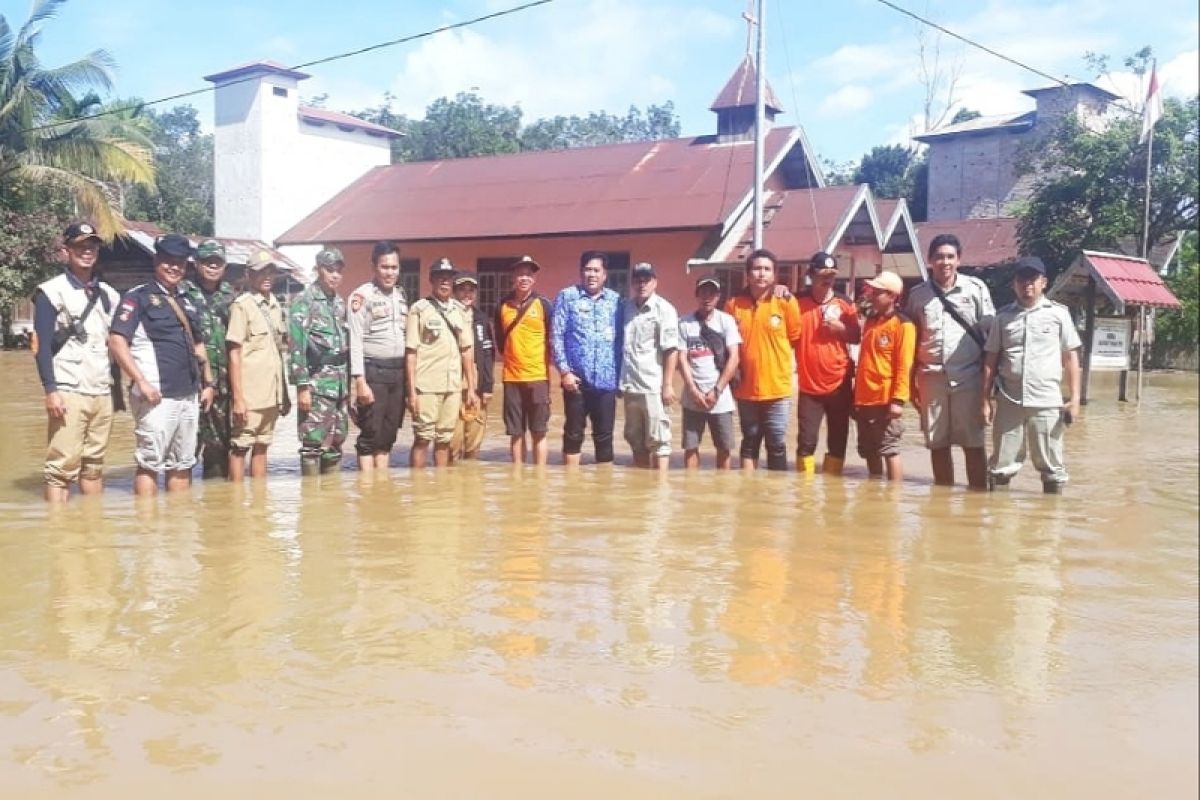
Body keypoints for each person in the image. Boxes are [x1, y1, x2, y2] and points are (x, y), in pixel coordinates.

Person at [109, 233, 215, 496]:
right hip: (156, 395)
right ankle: (148, 531)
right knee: (149, 464)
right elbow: (117, 341)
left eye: (179, 262)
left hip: (188, 394)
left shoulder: (187, 299)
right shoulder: (138, 297)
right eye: (167, 260)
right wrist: (141, 382)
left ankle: (177, 529)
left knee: (183, 464)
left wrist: (208, 383)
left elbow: (198, 345)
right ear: (156, 260)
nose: (173, 267)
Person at [32, 221, 121, 502]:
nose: (87, 251)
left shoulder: (109, 294)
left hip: (101, 390)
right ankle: (59, 535)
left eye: (92, 246)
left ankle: (92, 528)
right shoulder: (50, 292)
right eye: (80, 246)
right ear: (66, 251)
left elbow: (117, 344)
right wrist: (50, 390)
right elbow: (41, 346)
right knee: (60, 469)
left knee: (94, 467)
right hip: (68, 390)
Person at [981, 257, 1082, 494]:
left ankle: (1050, 523)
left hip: (1046, 401)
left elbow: (1070, 358)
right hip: (1009, 400)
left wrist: (1075, 399)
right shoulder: (1002, 317)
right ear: (1014, 285)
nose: (1027, 284)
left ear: (1043, 282)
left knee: (1052, 467)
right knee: (1000, 466)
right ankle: (999, 524)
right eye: (1021, 279)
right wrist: (984, 400)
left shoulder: (1059, 315)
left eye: (1033, 279)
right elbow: (991, 360)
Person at [905, 233, 995, 490]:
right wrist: (911, 384)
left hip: (969, 378)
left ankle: (978, 502)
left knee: (973, 443)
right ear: (930, 260)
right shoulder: (917, 295)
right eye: (939, 257)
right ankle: (942, 500)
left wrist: (990, 389)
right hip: (931, 379)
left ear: (959, 260)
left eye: (950, 257)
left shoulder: (976, 290)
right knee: (937, 444)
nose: (945, 262)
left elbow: (991, 338)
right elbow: (911, 340)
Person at [725, 248, 802, 471]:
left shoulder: (786, 302)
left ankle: (774, 496)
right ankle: (749, 493)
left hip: (778, 388)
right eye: (757, 269)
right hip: (746, 387)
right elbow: (727, 345)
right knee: (749, 440)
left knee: (776, 442)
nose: (761, 274)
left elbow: (796, 339)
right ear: (747, 274)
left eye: (767, 269)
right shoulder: (733, 304)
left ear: (774, 275)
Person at [550, 251, 623, 465]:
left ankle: (604, 491)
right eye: (588, 269)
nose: (592, 274)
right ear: (581, 272)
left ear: (605, 274)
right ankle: (572, 489)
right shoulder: (567, 296)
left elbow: (620, 341)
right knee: (573, 434)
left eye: (596, 270)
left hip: (606, 381)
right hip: (576, 381)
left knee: (605, 436)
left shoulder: (615, 301)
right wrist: (565, 372)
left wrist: (620, 377)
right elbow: (556, 335)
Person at [405, 259, 478, 468]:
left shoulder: (460, 311)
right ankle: (417, 488)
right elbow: (411, 353)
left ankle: (441, 491)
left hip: (453, 386)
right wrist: (411, 393)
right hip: (426, 386)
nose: (445, 281)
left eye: (448, 277)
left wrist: (471, 388)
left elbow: (467, 351)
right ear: (431, 279)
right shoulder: (419, 309)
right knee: (422, 438)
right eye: (440, 277)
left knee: (444, 440)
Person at [225, 251, 289, 481]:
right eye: (261, 271)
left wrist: (284, 395)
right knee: (240, 447)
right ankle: (236, 505)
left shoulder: (275, 305)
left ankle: (260, 506)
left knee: (263, 446)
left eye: (270, 271)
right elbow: (234, 353)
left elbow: (278, 352)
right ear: (248, 274)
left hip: (271, 394)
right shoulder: (242, 306)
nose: (266, 276)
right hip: (250, 395)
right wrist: (239, 398)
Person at [795, 251, 860, 476]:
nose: (828, 279)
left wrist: (841, 330)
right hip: (809, 386)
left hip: (839, 383)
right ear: (811, 275)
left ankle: (834, 493)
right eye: (823, 274)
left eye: (832, 275)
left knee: (838, 440)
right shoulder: (796, 302)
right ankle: (804, 495)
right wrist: (779, 289)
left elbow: (857, 336)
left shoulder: (845, 303)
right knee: (806, 441)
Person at [289, 247, 351, 476]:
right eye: (329, 270)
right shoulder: (304, 302)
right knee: (312, 445)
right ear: (318, 270)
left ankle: (331, 505)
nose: (334, 275)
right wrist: (302, 388)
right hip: (316, 385)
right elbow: (297, 347)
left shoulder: (339, 303)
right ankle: (311, 505)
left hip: (339, 385)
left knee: (336, 442)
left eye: (338, 271)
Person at [348, 241, 409, 471]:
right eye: (385, 267)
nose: (390, 272)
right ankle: (366, 493)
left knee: (387, 436)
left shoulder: (401, 295)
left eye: (394, 267)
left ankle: (381, 493)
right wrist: (360, 382)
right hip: (373, 372)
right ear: (374, 266)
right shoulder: (361, 296)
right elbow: (355, 341)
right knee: (369, 438)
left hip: (397, 373)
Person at [181, 238, 237, 478]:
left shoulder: (231, 296)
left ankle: (216, 510)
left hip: (224, 387)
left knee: (219, 449)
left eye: (218, 262)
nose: (213, 266)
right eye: (207, 262)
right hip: (189, 384)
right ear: (196, 263)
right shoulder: (182, 292)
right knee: (185, 451)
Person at [853, 271, 915, 482]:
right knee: (868, 449)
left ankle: (894, 496)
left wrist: (898, 401)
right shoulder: (871, 321)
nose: (871, 295)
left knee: (889, 448)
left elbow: (904, 366)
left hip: (885, 398)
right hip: (864, 396)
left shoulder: (903, 325)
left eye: (877, 292)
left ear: (892, 296)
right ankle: (874, 488)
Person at [619, 262, 679, 470]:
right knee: (635, 440)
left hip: (653, 386)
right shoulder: (626, 307)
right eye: (637, 280)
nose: (641, 284)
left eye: (646, 280)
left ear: (655, 282)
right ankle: (642, 486)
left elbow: (671, 349)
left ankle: (660, 490)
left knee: (659, 440)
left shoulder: (665, 309)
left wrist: (668, 385)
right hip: (629, 385)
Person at [678, 274, 741, 470]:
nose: (707, 297)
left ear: (718, 296)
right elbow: (681, 358)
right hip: (692, 398)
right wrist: (693, 390)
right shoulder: (684, 323)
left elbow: (734, 358)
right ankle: (690, 488)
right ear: (696, 295)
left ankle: (723, 491)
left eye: (712, 293)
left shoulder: (727, 321)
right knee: (691, 447)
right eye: (703, 292)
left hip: (721, 398)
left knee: (724, 447)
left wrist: (717, 390)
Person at [495, 256, 553, 465]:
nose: (524, 278)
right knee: (516, 433)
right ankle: (517, 477)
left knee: (539, 431)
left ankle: (539, 478)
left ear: (534, 279)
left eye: (528, 274)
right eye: (520, 274)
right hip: (511, 378)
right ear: (513, 277)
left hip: (538, 377)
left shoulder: (544, 305)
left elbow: (552, 339)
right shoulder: (503, 306)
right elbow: (501, 342)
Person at [450, 271, 495, 460]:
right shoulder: (448, 316)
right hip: (452, 387)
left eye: (471, 290)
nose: (467, 294)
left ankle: (471, 484)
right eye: (462, 290)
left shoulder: (481, 319)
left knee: (474, 444)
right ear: (454, 292)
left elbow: (488, 355)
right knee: (451, 443)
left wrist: (487, 387)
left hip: (476, 388)